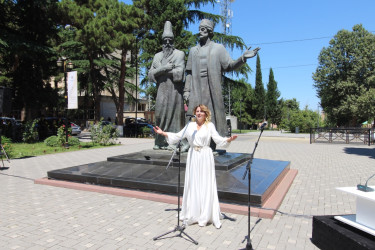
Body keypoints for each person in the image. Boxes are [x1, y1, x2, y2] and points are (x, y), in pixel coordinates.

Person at [153, 104, 238, 228]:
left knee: (205, 183)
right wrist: (163, 133)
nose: (198, 113)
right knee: (193, 183)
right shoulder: (190, 126)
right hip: (193, 156)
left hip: (205, 156)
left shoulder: (210, 126)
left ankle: (205, 213)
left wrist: (228, 140)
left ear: (205, 114)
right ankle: (193, 212)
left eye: (201, 111)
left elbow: (219, 140)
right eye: (197, 111)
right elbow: (177, 136)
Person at [184, 19, 260, 138]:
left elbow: (229, 65)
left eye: (203, 29)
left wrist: (242, 58)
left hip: (210, 89)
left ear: (209, 31)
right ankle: (189, 141)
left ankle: (211, 141)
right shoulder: (193, 50)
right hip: (196, 88)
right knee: (193, 114)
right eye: (199, 29)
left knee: (210, 115)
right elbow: (188, 72)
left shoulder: (218, 49)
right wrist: (186, 90)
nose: (200, 31)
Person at [148, 21, 187, 151]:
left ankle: (175, 143)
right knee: (159, 116)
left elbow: (179, 74)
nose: (168, 43)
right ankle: (160, 142)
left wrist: (160, 70)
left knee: (176, 118)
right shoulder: (157, 56)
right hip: (161, 93)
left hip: (175, 93)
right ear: (162, 42)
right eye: (165, 40)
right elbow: (150, 75)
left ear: (173, 41)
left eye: (170, 40)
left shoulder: (179, 54)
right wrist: (164, 68)